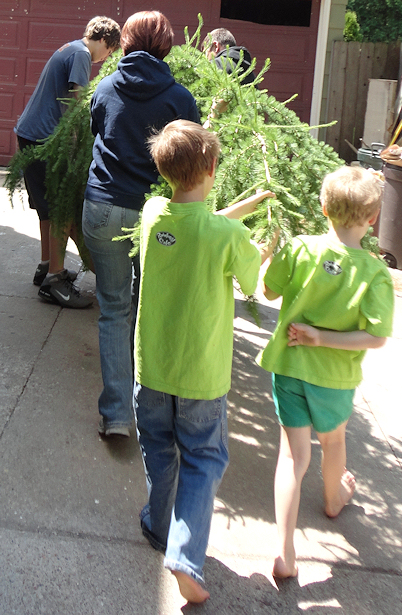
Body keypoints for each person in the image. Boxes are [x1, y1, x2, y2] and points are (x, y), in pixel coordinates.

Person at [134, 119, 276, 603]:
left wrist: (247, 204)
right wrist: (266, 249)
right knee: (202, 458)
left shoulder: (153, 213)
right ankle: (185, 557)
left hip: (151, 369)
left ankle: (158, 525)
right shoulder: (226, 238)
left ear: (163, 167)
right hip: (200, 376)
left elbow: (203, 224)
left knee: (159, 449)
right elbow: (252, 280)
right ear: (213, 167)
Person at [256, 166, 394, 579]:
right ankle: (335, 498)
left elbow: (268, 291)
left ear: (322, 207)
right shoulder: (374, 273)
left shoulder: (300, 248)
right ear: (373, 219)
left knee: (292, 457)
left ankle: (284, 552)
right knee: (333, 443)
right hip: (334, 380)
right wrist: (324, 338)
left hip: (290, 368)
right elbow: (375, 337)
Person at [82, 12, 200, 438]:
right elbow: (189, 161)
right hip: (153, 216)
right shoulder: (180, 99)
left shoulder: (107, 86)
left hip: (101, 208)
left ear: (127, 42)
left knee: (114, 308)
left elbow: (99, 128)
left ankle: (117, 416)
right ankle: (153, 411)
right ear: (166, 45)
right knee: (147, 308)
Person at [15, 16, 121, 309]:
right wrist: (86, 143)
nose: (105, 59)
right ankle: (54, 282)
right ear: (104, 41)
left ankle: (47, 265)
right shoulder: (82, 54)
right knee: (62, 209)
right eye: (109, 52)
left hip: (30, 133)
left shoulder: (70, 47)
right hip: (46, 139)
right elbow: (78, 101)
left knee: (47, 209)